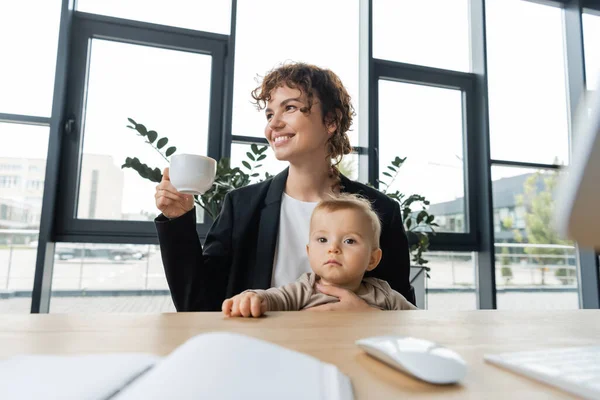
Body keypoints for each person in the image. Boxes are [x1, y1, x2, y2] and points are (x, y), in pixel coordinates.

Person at [154, 62, 414, 312]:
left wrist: (370, 315)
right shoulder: (242, 206)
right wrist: (177, 219)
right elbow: (198, 304)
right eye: (269, 114)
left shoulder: (381, 211)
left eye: (289, 108)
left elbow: (406, 317)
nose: (273, 124)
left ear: (331, 121)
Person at [222, 193, 417, 317]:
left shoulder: (383, 294)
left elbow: (418, 322)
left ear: (373, 259)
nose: (333, 248)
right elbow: (274, 299)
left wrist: (373, 316)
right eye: (322, 240)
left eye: (349, 241)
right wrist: (253, 297)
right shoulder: (305, 288)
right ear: (309, 251)